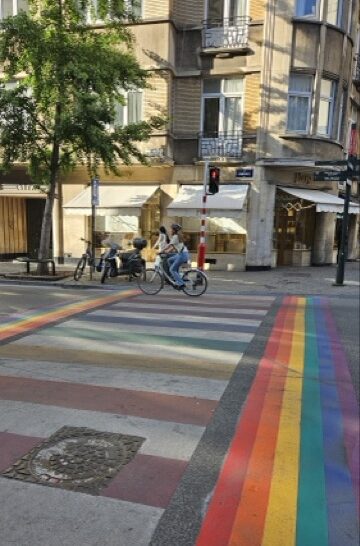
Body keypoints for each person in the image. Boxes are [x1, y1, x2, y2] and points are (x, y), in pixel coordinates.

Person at [163, 223, 190, 288]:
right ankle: (176, 275)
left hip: (182, 255)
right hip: (183, 254)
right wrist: (167, 251)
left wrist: (161, 251)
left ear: (174, 230)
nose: (170, 230)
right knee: (169, 260)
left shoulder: (175, 236)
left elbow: (169, 245)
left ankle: (181, 283)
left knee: (172, 269)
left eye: (171, 229)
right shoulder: (179, 236)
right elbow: (174, 246)